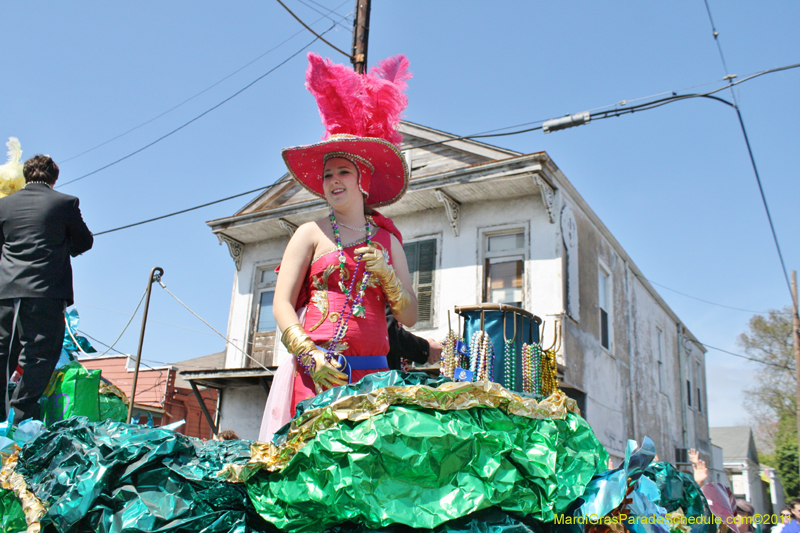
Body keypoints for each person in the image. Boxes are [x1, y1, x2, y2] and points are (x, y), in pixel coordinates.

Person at [272, 52, 417, 414]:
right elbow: (280, 304)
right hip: (319, 373)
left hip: (374, 379)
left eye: (343, 172)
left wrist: (387, 276)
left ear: (363, 180)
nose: (333, 180)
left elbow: (411, 316)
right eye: (327, 174)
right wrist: (309, 356)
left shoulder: (388, 240)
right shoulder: (309, 233)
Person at [0, 155, 93, 425]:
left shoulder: (4, 205)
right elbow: (85, 241)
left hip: (5, 290)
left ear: (26, 176)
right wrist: (65, 248)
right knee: (40, 354)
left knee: (3, 351)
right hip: (45, 290)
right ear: (55, 178)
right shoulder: (65, 203)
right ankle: (19, 416)